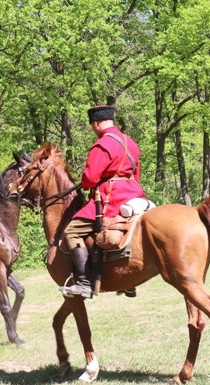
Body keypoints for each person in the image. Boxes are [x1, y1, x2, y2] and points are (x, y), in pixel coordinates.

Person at [62, 105, 146, 298]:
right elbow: (136, 175)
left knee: (72, 231)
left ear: (97, 123)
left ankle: (84, 283)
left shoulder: (102, 145)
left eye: (93, 125)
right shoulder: (130, 142)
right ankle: (127, 280)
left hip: (111, 198)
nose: (93, 128)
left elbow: (90, 179)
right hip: (134, 195)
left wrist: (84, 182)